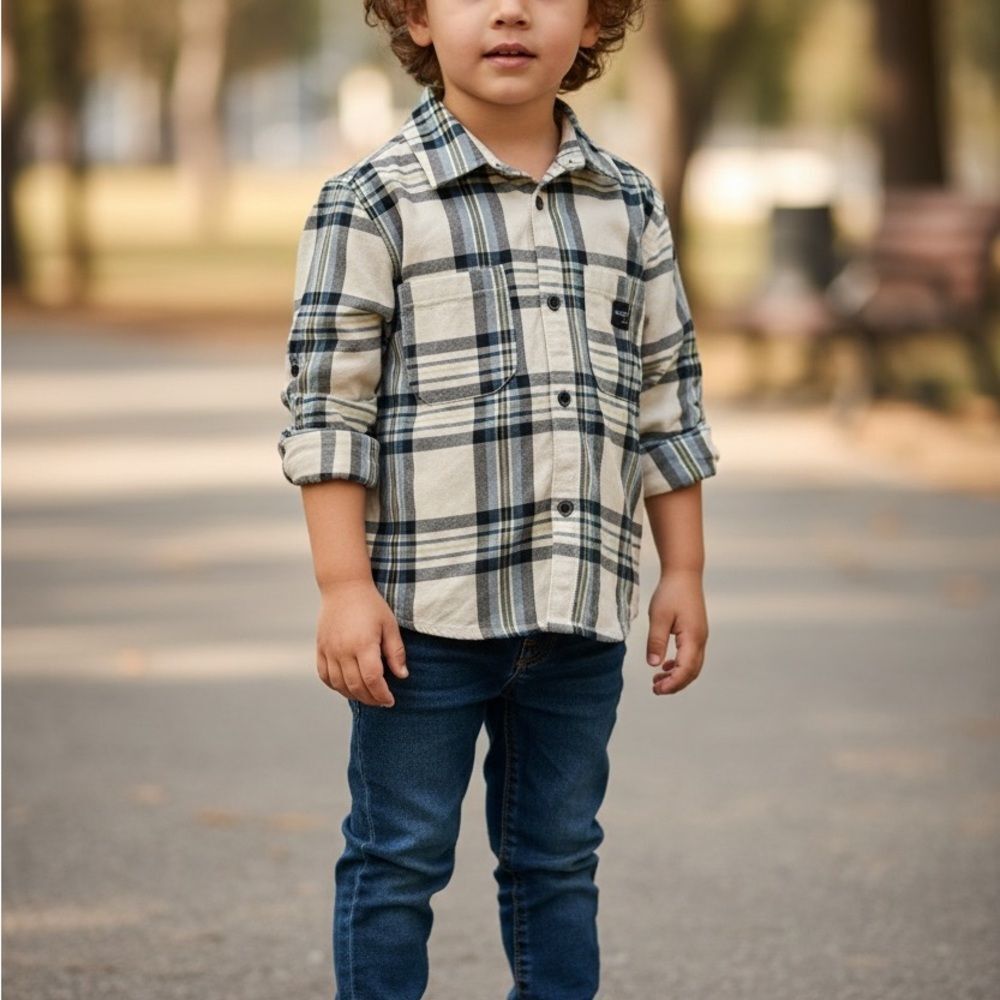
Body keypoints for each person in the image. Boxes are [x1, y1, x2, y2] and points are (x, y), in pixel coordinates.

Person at [277, 0, 721, 996]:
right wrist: (344, 584)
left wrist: (683, 569)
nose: (512, 8)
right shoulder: (374, 201)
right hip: (420, 621)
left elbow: (668, 398)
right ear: (415, 17)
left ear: (596, 18)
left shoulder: (628, 204)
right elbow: (327, 410)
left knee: (558, 862)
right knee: (397, 859)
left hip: (576, 617)